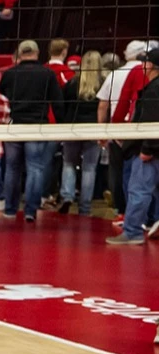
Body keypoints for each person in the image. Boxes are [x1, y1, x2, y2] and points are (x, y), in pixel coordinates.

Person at [0, 39, 60, 220]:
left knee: (12, 168)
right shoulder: (47, 74)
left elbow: (1, 97)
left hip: (14, 125)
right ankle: (31, 211)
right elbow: (57, 102)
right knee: (35, 168)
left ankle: (10, 209)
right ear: (38, 53)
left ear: (19, 54)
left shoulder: (10, 74)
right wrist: (64, 126)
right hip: (37, 126)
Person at [107, 53, 159, 245]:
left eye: (145, 62)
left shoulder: (154, 90)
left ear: (150, 65)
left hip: (150, 151)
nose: (142, 66)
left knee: (138, 190)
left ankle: (132, 232)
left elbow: (153, 123)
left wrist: (147, 149)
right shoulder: (152, 88)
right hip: (152, 148)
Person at [58, 50, 104, 215]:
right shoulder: (104, 83)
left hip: (73, 128)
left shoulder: (72, 83)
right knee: (89, 168)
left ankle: (67, 196)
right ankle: (85, 207)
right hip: (94, 129)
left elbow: (62, 105)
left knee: (69, 163)